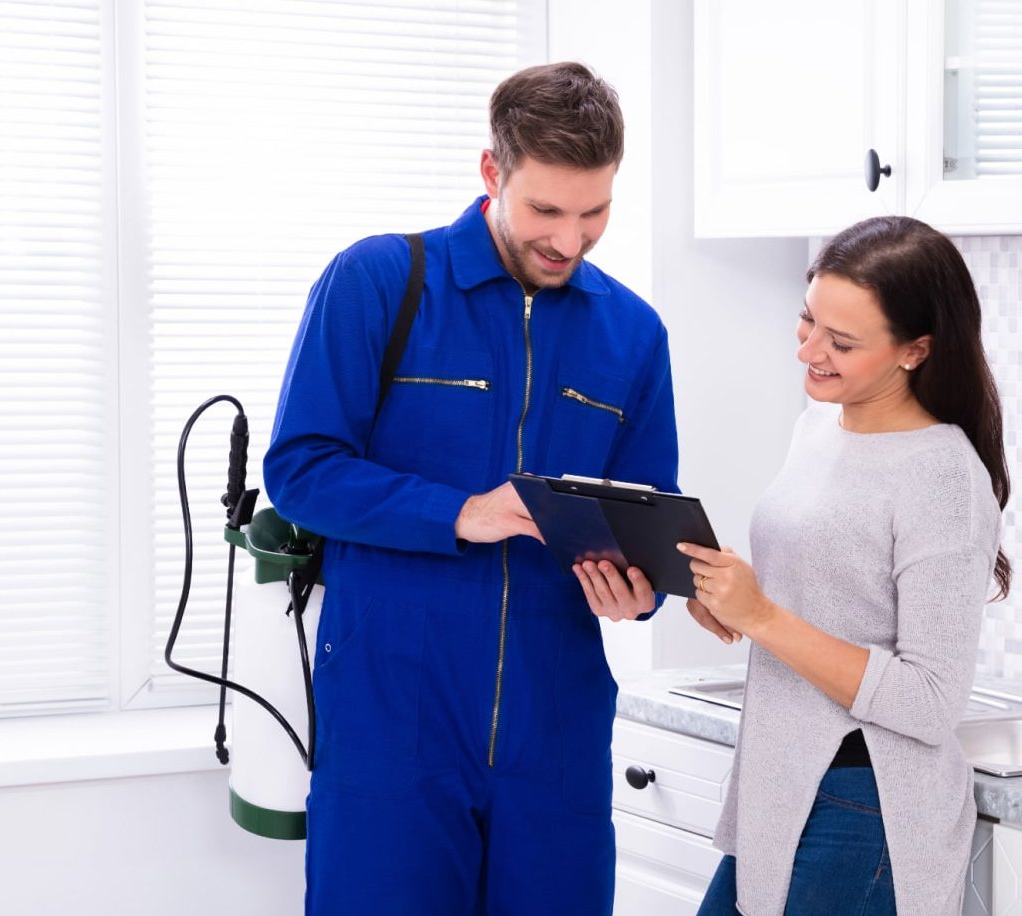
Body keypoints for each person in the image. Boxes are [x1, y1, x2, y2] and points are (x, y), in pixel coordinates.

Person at [262, 62, 678, 915]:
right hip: (392, 719)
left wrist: (640, 592)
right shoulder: (380, 281)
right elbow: (301, 469)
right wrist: (461, 513)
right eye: (546, 211)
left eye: (594, 212)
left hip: (555, 728)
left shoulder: (633, 333)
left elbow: (647, 515)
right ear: (493, 172)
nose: (570, 241)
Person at [580, 215, 1011, 916]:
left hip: (864, 800)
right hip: (780, 783)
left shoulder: (942, 477)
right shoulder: (818, 427)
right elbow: (827, 592)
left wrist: (762, 617)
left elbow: (930, 702)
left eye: (842, 342)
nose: (810, 350)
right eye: (808, 320)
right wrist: (725, 595)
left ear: (915, 350)